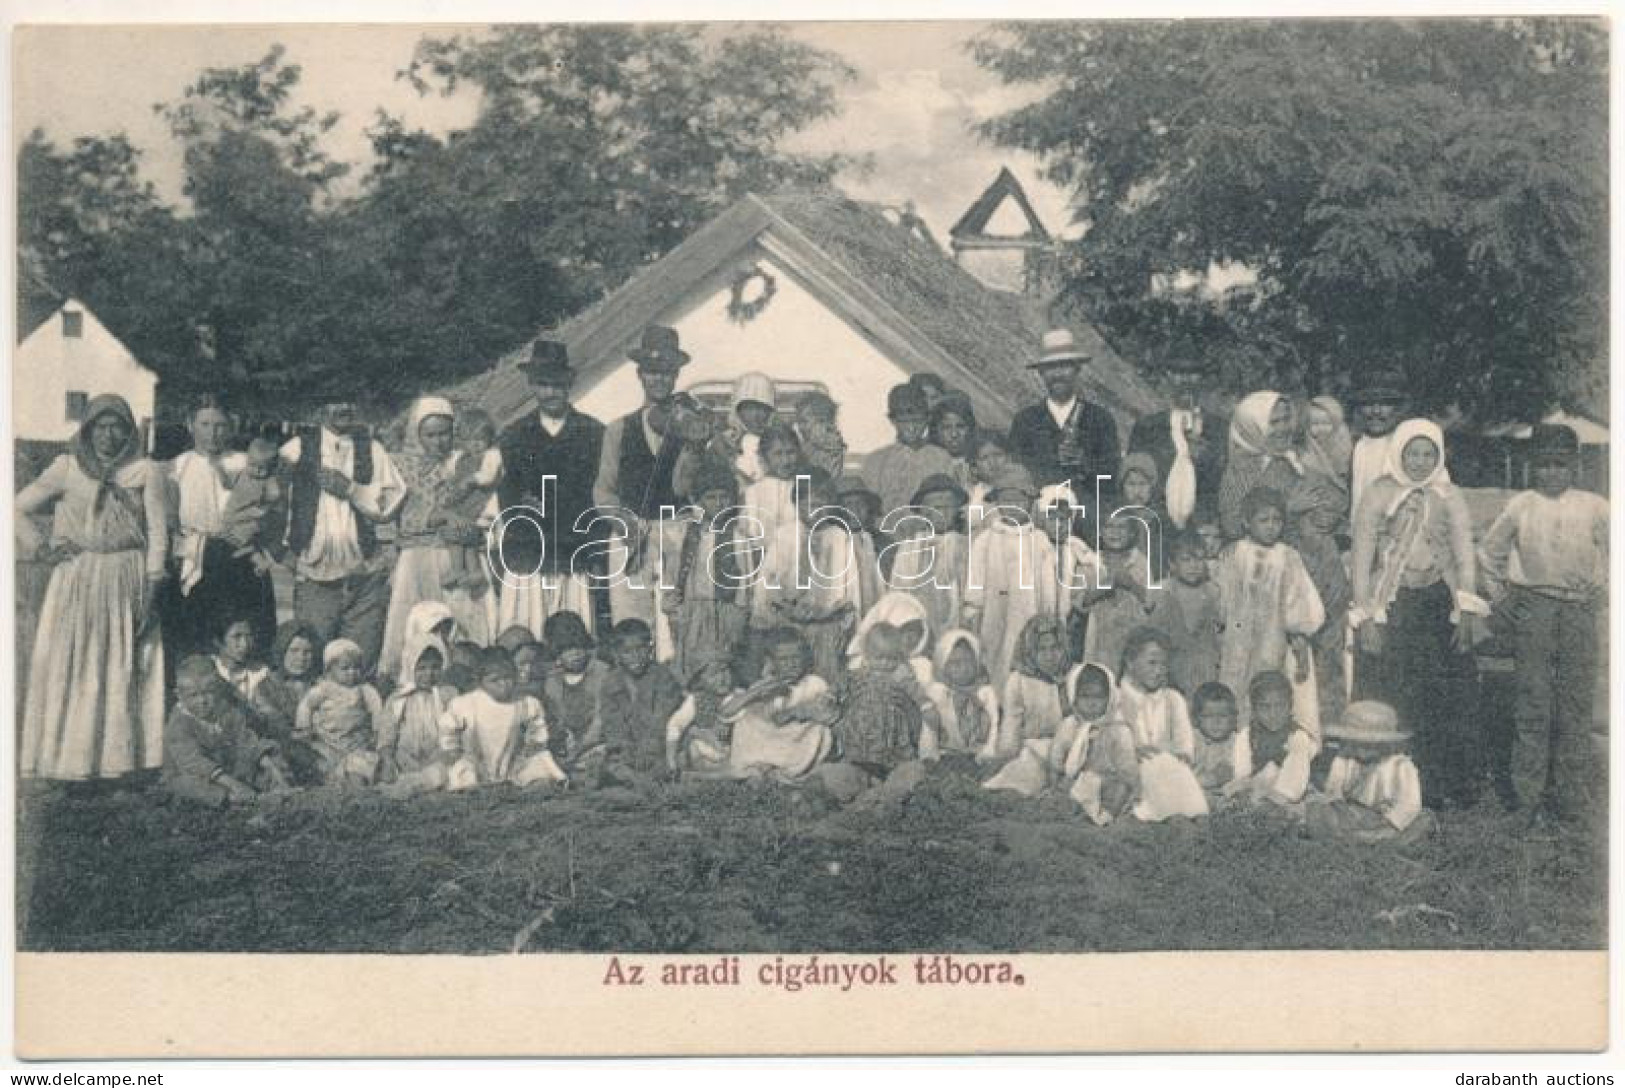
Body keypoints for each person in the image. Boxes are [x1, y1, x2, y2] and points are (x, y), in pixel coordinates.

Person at [17, 394, 168, 784]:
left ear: (128, 431)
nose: (108, 435)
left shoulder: (145, 472)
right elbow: (14, 507)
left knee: (122, 665)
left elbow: (158, 534)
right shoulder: (67, 468)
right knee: (76, 662)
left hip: (126, 575)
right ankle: (70, 762)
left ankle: (120, 765)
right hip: (78, 576)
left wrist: (151, 590)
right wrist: (42, 547)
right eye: (99, 426)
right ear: (86, 430)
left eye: (117, 426)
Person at [1350, 418, 1487, 808]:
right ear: (1399, 453)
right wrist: (1366, 615)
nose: (1420, 462)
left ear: (1439, 456)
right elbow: (1362, 558)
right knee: (1395, 691)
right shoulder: (1380, 493)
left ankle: (1438, 783)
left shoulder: (1448, 495)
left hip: (1435, 602)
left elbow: (1464, 555)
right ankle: (1388, 782)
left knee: (1440, 693)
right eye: (1413, 453)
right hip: (1392, 603)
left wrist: (1465, 609)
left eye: (1429, 454)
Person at [1478, 423, 1608, 823]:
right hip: (1533, 607)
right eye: (1544, 465)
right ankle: (1527, 798)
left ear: (1576, 466)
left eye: (1561, 464)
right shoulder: (1521, 505)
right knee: (1532, 701)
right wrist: (1502, 598)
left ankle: (1571, 797)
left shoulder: (1596, 506)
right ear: (1533, 466)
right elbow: (1489, 553)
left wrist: (1603, 590)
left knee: (1575, 702)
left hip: (1579, 609)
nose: (1552, 473)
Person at [280, 397, 407, 675]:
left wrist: (352, 489)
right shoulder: (297, 448)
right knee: (311, 661)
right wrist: (282, 552)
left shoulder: (372, 450)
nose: (343, 409)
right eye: (333, 402)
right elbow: (269, 499)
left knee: (358, 663)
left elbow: (394, 500)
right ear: (320, 409)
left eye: (350, 401)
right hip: (316, 578)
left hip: (364, 579)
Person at [594, 325, 708, 627]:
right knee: (633, 621)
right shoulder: (618, 428)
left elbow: (684, 485)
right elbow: (603, 491)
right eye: (652, 371)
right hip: (632, 533)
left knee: (679, 620)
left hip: (678, 531)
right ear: (640, 374)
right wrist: (624, 524)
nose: (659, 379)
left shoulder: (690, 424)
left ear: (676, 376)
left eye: (667, 372)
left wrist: (696, 443)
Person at [492, 340, 606, 640]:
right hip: (531, 553)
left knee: (574, 635)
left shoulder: (592, 433)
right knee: (529, 631)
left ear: (568, 384)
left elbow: (601, 494)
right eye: (543, 384)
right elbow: (507, 498)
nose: (551, 392)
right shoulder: (515, 436)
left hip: (575, 553)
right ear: (532, 386)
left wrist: (594, 547)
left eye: (558, 384)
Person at [164, 395, 276, 664]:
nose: (212, 433)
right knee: (195, 638)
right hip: (196, 557)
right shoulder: (177, 466)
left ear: (231, 426)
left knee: (243, 637)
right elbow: (169, 520)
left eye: (219, 425)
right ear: (190, 425)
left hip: (239, 556)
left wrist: (258, 540)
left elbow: (272, 506)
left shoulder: (245, 462)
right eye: (205, 424)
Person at [1212, 486, 1326, 736]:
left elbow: (1300, 601)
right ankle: (1234, 741)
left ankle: (1269, 742)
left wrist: (1298, 634)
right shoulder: (1234, 553)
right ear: (1246, 521)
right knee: (1234, 684)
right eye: (1263, 520)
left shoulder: (1288, 556)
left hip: (1272, 639)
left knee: (1269, 687)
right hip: (1236, 639)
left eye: (1277, 520)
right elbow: (1219, 598)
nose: (1271, 526)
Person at [758, 470, 868, 684]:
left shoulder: (839, 537)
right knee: (790, 677)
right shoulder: (785, 536)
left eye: (821, 504)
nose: (815, 511)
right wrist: (779, 612)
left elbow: (851, 586)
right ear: (796, 505)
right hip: (790, 623)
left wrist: (847, 625)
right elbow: (768, 580)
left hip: (827, 625)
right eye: (808, 504)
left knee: (826, 676)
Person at [1006, 328, 1120, 531]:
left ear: (1077, 369)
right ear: (1041, 373)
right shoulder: (1025, 420)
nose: (1058, 374)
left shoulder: (1100, 419)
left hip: (1087, 518)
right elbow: (1016, 472)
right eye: (1051, 368)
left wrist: (1085, 464)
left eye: (1065, 366)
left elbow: (1112, 476)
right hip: (1038, 519)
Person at [963, 464, 1061, 685]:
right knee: (994, 658)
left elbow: (1048, 585)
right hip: (993, 613)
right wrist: (972, 609)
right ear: (997, 503)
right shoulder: (985, 540)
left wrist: (1048, 615)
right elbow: (976, 580)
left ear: (1030, 502)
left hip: (1029, 614)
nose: (1013, 507)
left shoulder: (1039, 540)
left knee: (1027, 660)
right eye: (1006, 501)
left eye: (1019, 500)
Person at [654, 459, 749, 681]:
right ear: (696, 500)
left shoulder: (738, 537)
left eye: (724, 497)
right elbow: (673, 576)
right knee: (690, 668)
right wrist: (673, 608)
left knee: (723, 666)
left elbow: (746, 582)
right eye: (711, 497)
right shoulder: (684, 536)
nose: (719, 503)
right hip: (692, 611)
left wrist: (740, 614)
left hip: (726, 612)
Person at [823, 623, 937, 804]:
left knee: (909, 769)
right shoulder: (858, 674)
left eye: (891, 659)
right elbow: (841, 683)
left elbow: (916, 692)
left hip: (893, 738)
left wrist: (927, 707)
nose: (885, 664)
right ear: (867, 655)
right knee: (846, 768)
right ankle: (863, 782)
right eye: (879, 658)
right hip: (861, 738)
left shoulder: (901, 674)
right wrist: (830, 695)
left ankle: (887, 789)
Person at [163, 656, 293, 807]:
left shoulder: (226, 711)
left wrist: (271, 767)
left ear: (218, 689)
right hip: (198, 774)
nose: (203, 701)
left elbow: (246, 740)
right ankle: (242, 800)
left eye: (208, 692)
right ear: (179, 695)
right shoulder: (179, 724)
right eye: (194, 695)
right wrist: (234, 785)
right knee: (186, 785)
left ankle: (282, 787)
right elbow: (194, 762)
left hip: (228, 768)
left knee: (265, 753)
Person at [1126, 351, 1227, 532]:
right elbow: (1132, 479)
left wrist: (1205, 459)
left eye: (1192, 373)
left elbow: (1224, 482)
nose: (1185, 380)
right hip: (1155, 523)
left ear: (1202, 379)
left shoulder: (1218, 428)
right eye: (1178, 373)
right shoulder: (1148, 427)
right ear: (1167, 377)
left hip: (1203, 527)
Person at [1116, 626, 1208, 821]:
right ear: (1130, 662)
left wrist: (1179, 755)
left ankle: (1181, 816)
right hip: (1132, 771)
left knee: (1168, 768)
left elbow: (1184, 741)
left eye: (1164, 665)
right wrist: (1133, 751)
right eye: (1151, 663)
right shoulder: (1118, 699)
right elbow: (1113, 742)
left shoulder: (1173, 699)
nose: (1159, 671)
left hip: (1169, 771)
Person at [439, 650, 566, 791]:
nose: (503, 684)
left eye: (508, 678)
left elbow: (537, 730)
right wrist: (453, 750)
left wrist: (533, 745)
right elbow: (448, 730)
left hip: (513, 763)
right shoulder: (465, 704)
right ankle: (472, 788)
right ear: (480, 681)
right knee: (463, 771)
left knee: (541, 760)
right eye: (495, 680)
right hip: (476, 763)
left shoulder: (525, 703)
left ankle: (529, 784)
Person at [725, 626, 839, 781]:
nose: (791, 664)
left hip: (797, 740)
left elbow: (828, 713)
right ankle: (761, 765)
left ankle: (788, 770)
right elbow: (727, 713)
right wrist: (759, 691)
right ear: (771, 662)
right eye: (783, 659)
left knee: (819, 729)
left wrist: (799, 711)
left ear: (804, 659)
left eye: (795, 658)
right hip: (771, 737)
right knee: (746, 719)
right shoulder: (766, 686)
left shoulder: (814, 683)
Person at [1306, 700, 1428, 842]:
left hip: (1385, 818)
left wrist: (1390, 824)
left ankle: (1375, 838)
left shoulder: (1400, 766)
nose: (1361, 751)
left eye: (1369, 745)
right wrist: (1341, 808)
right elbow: (1333, 790)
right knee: (1317, 809)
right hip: (1353, 813)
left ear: (1385, 743)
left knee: (1420, 822)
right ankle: (1354, 837)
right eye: (1356, 743)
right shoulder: (1344, 759)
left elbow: (1409, 804)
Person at [588, 619, 687, 785]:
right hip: (629, 751)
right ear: (616, 654)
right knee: (603, 762)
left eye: (641, 649)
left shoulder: (663, 677)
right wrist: (627, 751)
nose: (636, 657)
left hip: (659, 746)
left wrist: (648, 750)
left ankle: (645, 779)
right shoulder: (611, 682)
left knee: (676, 760)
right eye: (627, 651)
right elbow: (613, 723)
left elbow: (663, 719)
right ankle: (635, 779)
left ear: (650, 648)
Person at [882, 474, 969, 638]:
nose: (941, 513)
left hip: (958, 625)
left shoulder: (967, 546)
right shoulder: (909, 549)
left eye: (947, 507)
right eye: (935, 507)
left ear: (957, 509)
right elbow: (897, 592)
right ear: (923, 512)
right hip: (920, 626)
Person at [295, 638, 388, 785]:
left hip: (356, 741)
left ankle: (359, 789)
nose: (352, 673)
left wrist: (377, 729)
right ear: (329, 670)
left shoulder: (364, 689)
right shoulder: (324, 689)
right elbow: (306, 705)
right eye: (345, 668)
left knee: (361, 764)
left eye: (356, 668)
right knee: (321, 763)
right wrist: (304, 727)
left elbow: (377, 708)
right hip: (328, 741)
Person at [861, 383, 958, 522]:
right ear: (892, 420)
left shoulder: (942, 458)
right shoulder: (876, 461)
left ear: (928, 418)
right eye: (904, 422)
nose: (911, 428)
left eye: (917, 421)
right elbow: (868, 510)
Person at [1217, 391, 1304, 541]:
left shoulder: (1295, 459)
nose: (1283, 428)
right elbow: (1232, 527)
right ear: (1253, 426)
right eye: (1274, 422)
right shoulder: (1242, 468)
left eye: (1286, 419)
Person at [1078, 511, 1156, 678]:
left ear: (1132, 533)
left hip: (1132, 631)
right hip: (1100, 634)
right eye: (1109, 527)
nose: (1115, 533)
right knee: (1102, 675)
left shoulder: (1140, 561)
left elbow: (1149, 601)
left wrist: (1131, 583)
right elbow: (1080, 601)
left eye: (1122, 527)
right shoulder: (1090, 561)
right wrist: (1105, 586)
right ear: (1100, 531)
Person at [990, 614, 1075, 764]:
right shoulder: (1018, 681)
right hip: (1031, 752)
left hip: (1071, 752)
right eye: (1041, 649)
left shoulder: (1076, 675)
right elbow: (1011, 727)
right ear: (1030, 651)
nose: (1049, 656)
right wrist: (1006, 757)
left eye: (1055, 648)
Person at [1062, 664, 1141, 825]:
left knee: (1120, 789)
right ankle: (1076, 813)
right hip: (1079, 779)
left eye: (1099, 697)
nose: (1092, 703)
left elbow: (1128, 768)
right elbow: (1058, 753)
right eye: (1085, 696)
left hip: (1107, 780)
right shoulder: (1070, 725)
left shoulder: (1117, 729)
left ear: (1110, 697)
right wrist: (1059, 772)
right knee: (1066, 789)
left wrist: (1126, 781)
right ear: (1074, 698)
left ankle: (1106, 816)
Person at [1229, 671, 1316, 805]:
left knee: (1299, 743)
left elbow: (1298, 776)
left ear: (1290, 706)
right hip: (1255, 790)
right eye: (1265, 707)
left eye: (1280, 706)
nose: (1273, 714)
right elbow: (1241, 774)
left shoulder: (1297, 735)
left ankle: (1274, 805)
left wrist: (1283, 794)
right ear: (1254, 709)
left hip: (1287, 795)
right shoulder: (1246, 735)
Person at [537, 611, 610, 769]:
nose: (576, 653)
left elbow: (600, 722)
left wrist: (578, 749)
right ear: (556, 652)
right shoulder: (553, 680)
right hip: (571, 745)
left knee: (601, 758)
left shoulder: (600, 672)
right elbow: (557, 721)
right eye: (567, 649)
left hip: (598, 741)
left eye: (579, 646)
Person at [380, 638, 457, 782]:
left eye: (435, 668)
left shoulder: (448, 695)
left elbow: (455, 732)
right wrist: (388, 759)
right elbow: (387, 735)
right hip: (404, 758)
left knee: (447, 771)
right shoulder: (398, 698)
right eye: (422, 668)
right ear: (410, 667)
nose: (429, 674)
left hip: (438, 757)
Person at [1159, 531, 1223, 698]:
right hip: (1173, 658)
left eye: (1199, 559)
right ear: (1172, 564)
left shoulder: (1212, 591)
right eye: (1186, 560)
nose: (1194, 566)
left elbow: (1220, 625)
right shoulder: (1165, 590)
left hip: (1204, 661)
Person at [923, 628, 1001, 762]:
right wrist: (930, 755)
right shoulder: (938, 692)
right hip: (945, 755)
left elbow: (995, 725)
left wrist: (988, 752)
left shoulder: (986, 692)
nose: (964, 668)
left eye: (969, 661)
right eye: (955, 663)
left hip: (979, 755)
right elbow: (929, 730)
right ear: (943, 665)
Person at [217, 435, 288, 578]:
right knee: (228, 535)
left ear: (272, 468)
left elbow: (275, 496)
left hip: (250, 516)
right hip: (233, 514)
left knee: (244, 538)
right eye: (252, 465)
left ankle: (260, 561)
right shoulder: (241, 474)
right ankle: (254, 557)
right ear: (247, 460)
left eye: (262, 468)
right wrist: (220, 473)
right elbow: (227, 485)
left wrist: (264, 507)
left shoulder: (268, 481)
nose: (256, 470)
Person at [664, 653, 738, 776]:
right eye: (714, 674)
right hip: (707, 752)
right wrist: (671, 762)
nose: (722, 678)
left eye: (725, 671)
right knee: (694, 746)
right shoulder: (696, 699)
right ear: (701, 680)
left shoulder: (737, 696)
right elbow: (675, 724)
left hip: (733, 752)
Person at [251, 622, 323, 747]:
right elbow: (272, 722)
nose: (301, 658)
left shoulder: (321, 685)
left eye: (307, 652)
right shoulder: (266, 687)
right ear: (282, 651)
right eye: (294, 651)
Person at [1348, 372, 1408, 520]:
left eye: (1385, 404)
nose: (1376, 411)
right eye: (1368, 404)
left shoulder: (1406, 446)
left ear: (1398, 408)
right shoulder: (1356, 446)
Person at [713, 372, 776, 486]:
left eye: (762, 408)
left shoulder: (778, 440)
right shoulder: (721, 443)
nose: (756, 415)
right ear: (737, 409)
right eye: (749, 408)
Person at [1189, 681, 1247, 793]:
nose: (1216, 722)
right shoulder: (1193, 740)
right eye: (1208, 716)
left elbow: (1239, 773)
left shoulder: (1237, 742)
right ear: (1196, 718)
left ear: (1233, 717)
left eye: (1223, 715)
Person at [929, 394, 979, 492]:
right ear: (936, 431)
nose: (954, 434)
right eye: (946, 427)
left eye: (960, 426)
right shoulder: (930, 465)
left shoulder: (980, 463)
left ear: (970, 429)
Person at [793, 391, 848, 480]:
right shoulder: (817, 444)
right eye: (798, 422)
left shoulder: (822, 447)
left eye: (804, 421)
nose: (800, 427)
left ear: (823, 422)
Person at [213, 616, 268, 703]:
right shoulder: (208, 671)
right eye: (237, 637)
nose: (245, 644)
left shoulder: (262, 673)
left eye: (249, 636)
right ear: (218, 642)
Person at [1302, 396, 1354, 485]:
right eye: (1315, 424)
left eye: (1326, 423)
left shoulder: (1342, 442)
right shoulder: (1307, 447)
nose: (1320, 428)